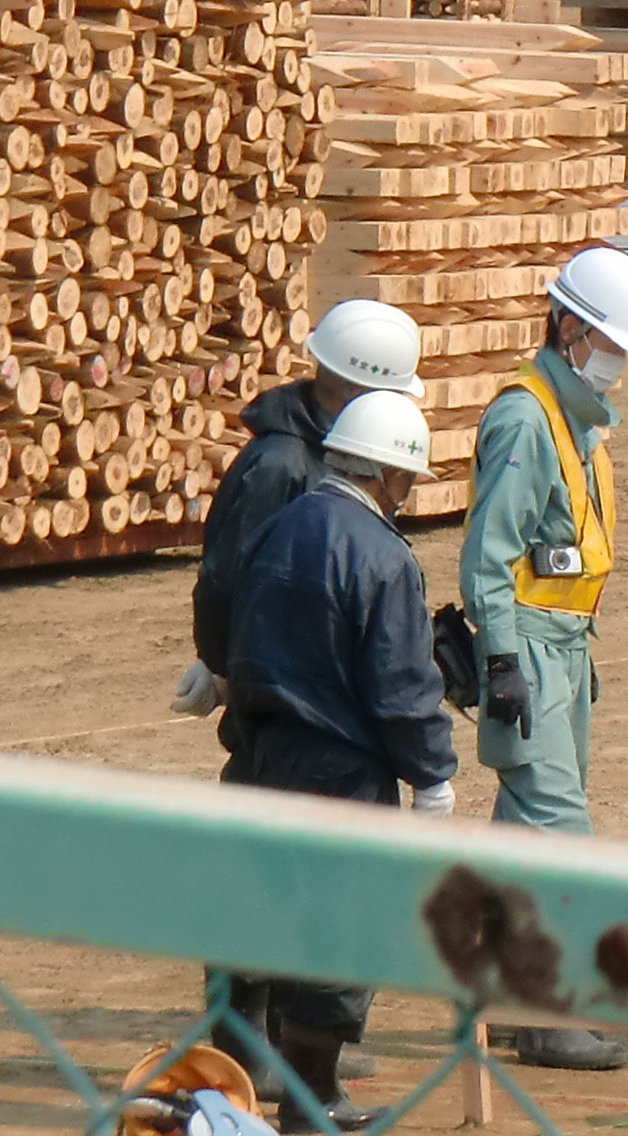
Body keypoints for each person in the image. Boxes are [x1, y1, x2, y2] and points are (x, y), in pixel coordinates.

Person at [216, 389, 456, 1134]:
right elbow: (400, 684)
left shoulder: (279, 527)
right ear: (388, 474)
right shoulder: (382, 556)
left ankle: (256, 1075)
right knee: (344, 929)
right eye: (406, 479)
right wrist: (433, 773)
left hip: (258, 753)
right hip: (338, 770)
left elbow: (229, 615)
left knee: (269, 915)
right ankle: (313, 1096)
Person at [461, 243, 628, 1071]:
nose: (617, 361)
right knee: (558, 831)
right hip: (531, 650)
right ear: (569, 328)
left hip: (565, 648)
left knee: (526, 831)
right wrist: (504, 662)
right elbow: (488, 557)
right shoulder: (526, 418)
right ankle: (548, 1014)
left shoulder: (576, 422)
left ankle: (507, 1001)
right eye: (610, 342)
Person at [181, 301, 424, 711]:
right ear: (359, 391)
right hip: (288, 689)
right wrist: (220, 664)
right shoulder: (281, 464)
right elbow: (227, 575)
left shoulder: (341, 453)